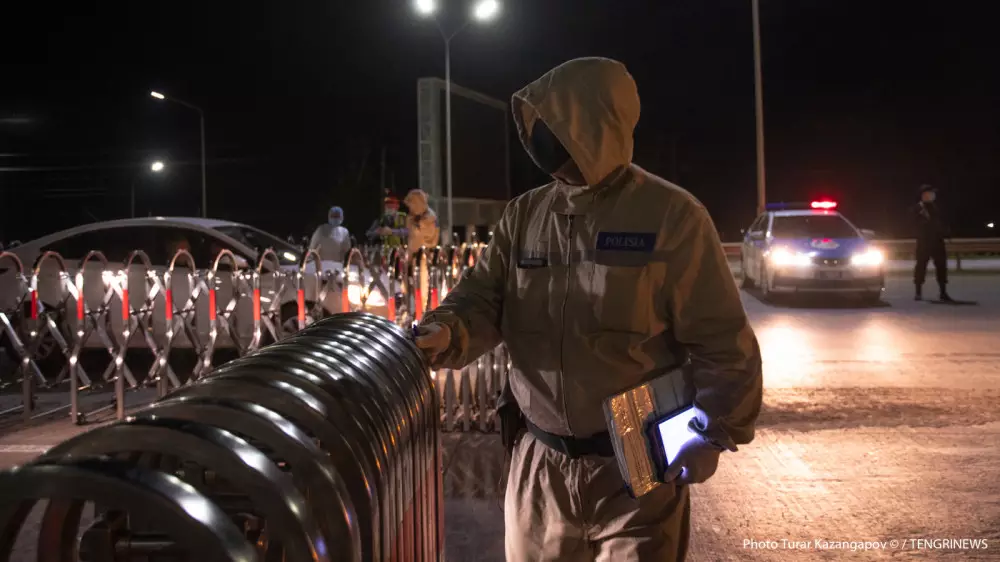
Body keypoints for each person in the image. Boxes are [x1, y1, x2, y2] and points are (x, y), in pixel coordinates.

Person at [414, 57, 762, 561]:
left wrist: (713, 429)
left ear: (596, 126)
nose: (541, 136)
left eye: (555, 121)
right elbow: (483, 296)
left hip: (637, 468)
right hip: (539, 463)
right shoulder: (525, 215)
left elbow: (722, 341)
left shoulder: (671, 216)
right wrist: (448, 330)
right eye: (537, 122)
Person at [912, 185, 953, 301]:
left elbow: (942, 222)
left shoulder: (936, 208)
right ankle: (918, 292)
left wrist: (946, 232)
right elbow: (914, 225)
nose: (932, 196)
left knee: (941, 266)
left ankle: (943, 292)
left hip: (938, 242)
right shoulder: (917, 209)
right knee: (921, 266)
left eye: (933, 194)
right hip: (924, 242)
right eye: (930, 193)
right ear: (923, 195)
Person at [309, 206, 352, 272]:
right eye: (333, 216)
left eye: (337, 216)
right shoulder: (321, 229)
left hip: (337, 267)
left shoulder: (344, 232)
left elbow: (347, 252)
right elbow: (312, 249)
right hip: (321, 266)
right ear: (329, 217)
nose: (335, 218)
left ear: (342, 217)